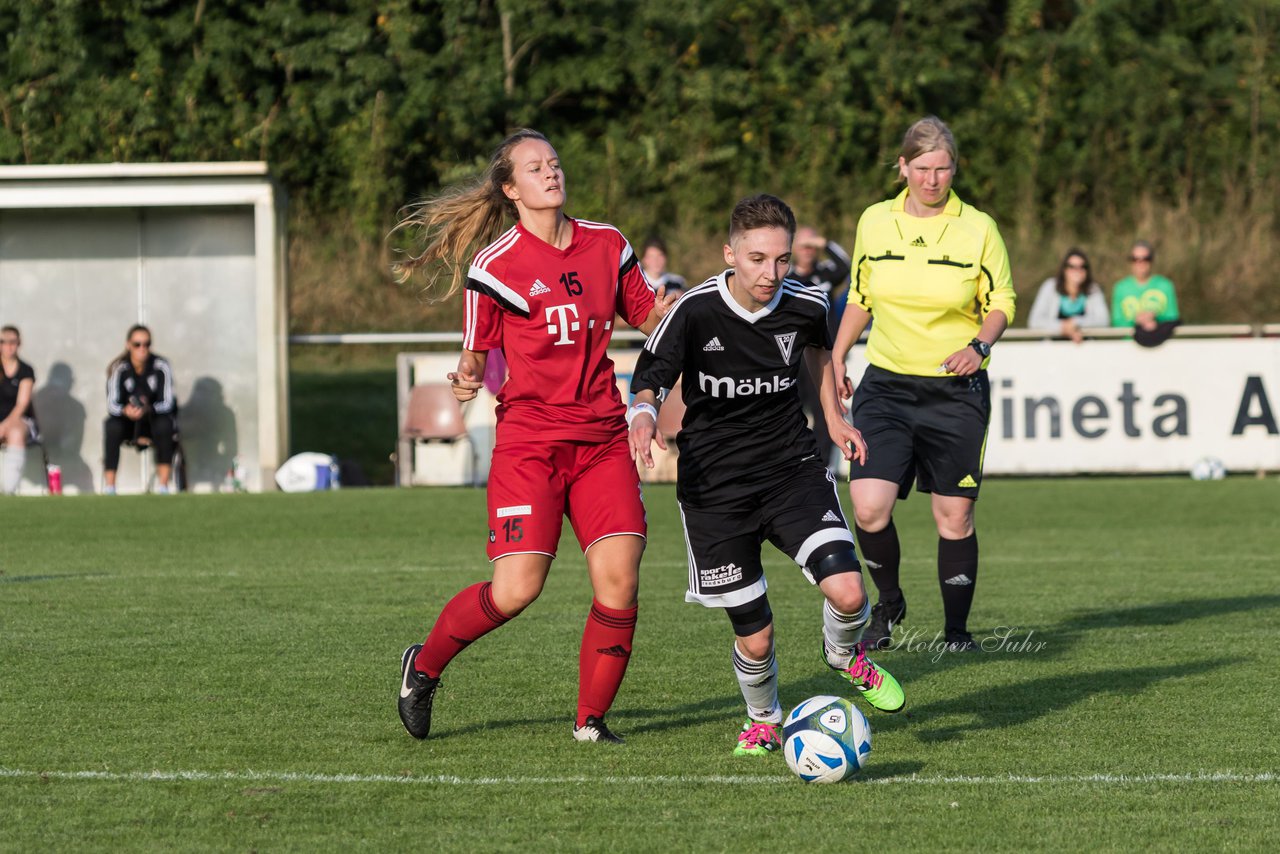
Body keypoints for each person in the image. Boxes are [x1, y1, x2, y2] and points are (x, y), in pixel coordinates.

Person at [392, 129, 676, 745]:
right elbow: (475, 357)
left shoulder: (608, 243)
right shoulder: (494, 268)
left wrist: (698, 310)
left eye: (554, 163)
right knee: (516, 589)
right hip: (530, 445)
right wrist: (468, 377)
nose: (551, 173)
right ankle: (425, 667)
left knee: (620, 579)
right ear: (510, 188)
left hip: (602, 439)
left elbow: (649, 314)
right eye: (534, 167)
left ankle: (590, 722)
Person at [629, 194, 904, 758]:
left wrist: (834, 418)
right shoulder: (695, 310)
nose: (770, 273)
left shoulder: (806, 302)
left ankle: (844, 654)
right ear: (730, 253)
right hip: (715, 489)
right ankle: (763, 718)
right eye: (756, 259)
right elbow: (649, 375)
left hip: (789, 469)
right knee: (756, 638)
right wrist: (643, 416)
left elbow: (821, 356)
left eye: (780, 259)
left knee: (850, 593)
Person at [831, 116, 1017, 653]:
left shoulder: (977, 227)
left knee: (952, 515)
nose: (934, 179)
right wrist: (838, 355)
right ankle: (887, 605)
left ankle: (957, 633)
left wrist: (978, 347)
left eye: (944, 168)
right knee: (867, 507)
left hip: (954, 391)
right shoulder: (874, 221)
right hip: (886, 386)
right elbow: (860, 297)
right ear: (903, 167)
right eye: (923, 169)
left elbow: (1002, 300)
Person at [789, 226, 853, 469]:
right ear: (793, 249)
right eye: (803, 246)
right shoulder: (786, 277)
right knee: (792, 413)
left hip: (822, 357)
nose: (807, 251)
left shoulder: (825, 274)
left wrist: (823, 241)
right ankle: (791, 466)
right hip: (795, 358)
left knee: (827, 412)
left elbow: (846, 264)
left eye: (811, 246)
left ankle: (819, 467)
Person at [103, 324, 178, 495]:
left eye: (146, 344)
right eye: (137, 344)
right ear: (128, 345)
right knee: (112, 426)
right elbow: (111, 404)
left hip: (153, 418)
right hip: (127, 421)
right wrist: (126, 411)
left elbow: (168, 402)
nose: (142, 349)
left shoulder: (161, 366)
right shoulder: (118, 368)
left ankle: (163, 486)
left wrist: (147, 409)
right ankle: (110, 487)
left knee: (165, 425)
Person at [1027, 248, 1109, 342]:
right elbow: (1034, 321)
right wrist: (1062, 328)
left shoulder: (1094, 290)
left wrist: (1076, 323)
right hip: (1051, 350)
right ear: (1064, 269)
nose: (1077, 270)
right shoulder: (1049, 287)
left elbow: (1103, 321)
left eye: (1082, 266)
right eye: (1072, 266)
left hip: (1084, 349)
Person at [1111, 240, 1180, 346]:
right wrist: (1136, 320)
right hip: (1128, 347)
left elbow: (1173, 317)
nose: (1141, 263)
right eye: (1136, 259)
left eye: (1145, 259)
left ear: (1151, 261)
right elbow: (1117, 322)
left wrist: (1155, 319)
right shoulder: (1120, 288)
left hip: (1160, 346)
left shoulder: (1165, 285)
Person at [1, 325, 38, 495]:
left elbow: (22, 404)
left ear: (18, 343)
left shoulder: (25, 370)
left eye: (12, 342)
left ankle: (9, 491)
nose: (8, 346)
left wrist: (4, 426)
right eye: (3, 342)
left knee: (15, 432)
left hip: (20, 422)